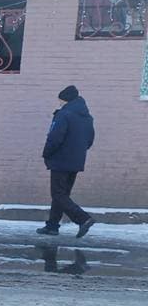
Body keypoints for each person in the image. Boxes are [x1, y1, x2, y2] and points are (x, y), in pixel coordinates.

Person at [40, 84, 96, 237]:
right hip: (76, 161)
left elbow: (54, 138)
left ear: (66, 100)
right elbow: (90, 140)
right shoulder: (87, 117)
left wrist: (46, 153)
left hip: (60, 160)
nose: (59, 104)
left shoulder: (64, 115)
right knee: (62, 194)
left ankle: (83, 219)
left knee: (58, 194)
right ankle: (52, 226)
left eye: (61, 101)